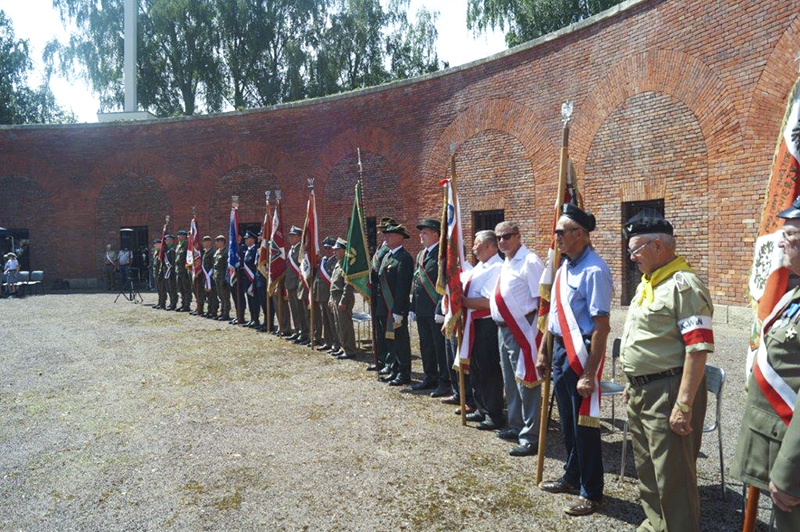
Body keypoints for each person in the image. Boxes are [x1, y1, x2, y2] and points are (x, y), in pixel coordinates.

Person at [619, 210, 712, 532]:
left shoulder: (683, 285)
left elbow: (697, 349)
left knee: (674, 478)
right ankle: (656, 524)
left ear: (658, 245)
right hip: (644, 390)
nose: (631, 258)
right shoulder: (650, 283)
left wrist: (684, 404)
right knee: (648, 470)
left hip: (669, 391)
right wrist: (633, 380)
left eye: (635, 250)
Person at [538, 204, 612, 516]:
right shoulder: (565, 266)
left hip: (580, 355)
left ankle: (591, 491)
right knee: (568, 424)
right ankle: (571, 476)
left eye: (560, 232)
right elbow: (554, 316)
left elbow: (601, 326)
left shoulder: (595, 270)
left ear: (579, 234)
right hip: (558, 351)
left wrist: (589, 372)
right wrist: (543, 351)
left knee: (585, 426)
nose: (556, 237)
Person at [732, 196, 800, 531]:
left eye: (792, 236)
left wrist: (787, 470)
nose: (782, 241)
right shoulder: (791, 293)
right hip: (777, 438)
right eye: (784, 233)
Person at [489, 221, 545, 457]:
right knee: (510, 380)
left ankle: (531, 435)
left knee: (527, 381)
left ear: (519, 236)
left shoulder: (530, 261)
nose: (502, 241)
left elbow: (542, 300)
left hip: (523, 330)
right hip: (503, 329)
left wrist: (534, 334)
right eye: (499, 237)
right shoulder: (507, 262)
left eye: (507, 236)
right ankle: (516, 424)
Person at [459, 230, 505, 429]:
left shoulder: (496, 267)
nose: (473, 248)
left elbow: (488, 302)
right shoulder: (481, 266)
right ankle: (481, 407)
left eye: (477, 244)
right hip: (473, 323)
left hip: (486, 325)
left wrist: (463, 302)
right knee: (476, 368)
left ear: (488, 246)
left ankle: (494, 414)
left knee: (488, 370)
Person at [410, 218, 450, 397]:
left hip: (436, 309)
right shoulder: (421, 255)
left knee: (439, 346)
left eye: (425, 232)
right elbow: (416, 282)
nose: (421, 235)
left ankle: (444, 381)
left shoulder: (442, 256)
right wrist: (412, 306)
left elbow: (445, 285)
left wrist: (441, 310)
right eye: (421, 232)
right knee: (425, 345)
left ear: (436, 234)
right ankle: (430, 376)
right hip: (422, 309)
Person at [375, 223, 414, 387]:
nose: (385, 237)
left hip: (395, 309)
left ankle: (403, 373)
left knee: (400, 341)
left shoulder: (404, 258)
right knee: (389, 340)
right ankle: (393, 369)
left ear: (400, 238)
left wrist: (398, 310)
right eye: (385, 235)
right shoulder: (387, 256)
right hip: (384, 307)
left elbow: (402, 287)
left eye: (389, 235)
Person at [370, 217, 396, 372]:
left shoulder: (388, 250)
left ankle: (388, 361)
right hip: (378, 295)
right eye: (381, 230)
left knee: (388, 332)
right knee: (380, 330)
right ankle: (380, 359)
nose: (382, 233)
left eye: (385, 230)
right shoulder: (382, 247)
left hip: (387, 297)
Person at [330, 237, 358, 359]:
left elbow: (348, 284)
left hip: (343, 296)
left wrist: (344, 300)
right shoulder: (338, 263)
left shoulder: (347, 264)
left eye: (337, 250)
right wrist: (331, 298)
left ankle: (350, 349)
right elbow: (333, 283)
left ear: (344, 250)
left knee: (345, 324)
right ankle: (343, 347)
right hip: (335, 295)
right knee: (339, 324)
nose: (334, 252)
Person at [285, 226, 309, 344]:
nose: (291, 237)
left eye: (293, 235)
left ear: (300, 237)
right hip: (290, 284)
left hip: (297, 285)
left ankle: (304, 332)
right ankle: (298, 330)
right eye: (290, 235)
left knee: (301, 311)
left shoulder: (302, 249)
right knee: (294, 310)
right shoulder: (291, 250)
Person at [314, 237, 338, 350]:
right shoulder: (323, 261)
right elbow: (318, 278)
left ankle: (336, 343)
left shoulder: (336, 261)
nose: (327, 250)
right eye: (326, 248)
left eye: (330, 248)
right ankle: (328, 342)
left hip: (330, 296)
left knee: (333, 321)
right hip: (321, 295)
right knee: (325, 321)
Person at [242, 230, 261, 328]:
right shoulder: (246, 250)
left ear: (253, 240)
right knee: (249, 300)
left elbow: (255, 266)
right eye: (245, 238)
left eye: (248, 238)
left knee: (255, 301)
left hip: (253, 279)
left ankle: (256, 319)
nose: (246, 240)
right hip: (247, 280)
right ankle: (252, 318)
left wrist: (253, 279)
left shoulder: (255, 250)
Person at [196, 236, 217, 318]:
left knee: (213, 294)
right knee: (208, 295)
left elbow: (213, 265)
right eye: (204, 241)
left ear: (209, 242)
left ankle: (214, 311)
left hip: (211, 276)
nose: (204, 243)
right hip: (206, 277)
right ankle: (209, 310)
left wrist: (209, 275)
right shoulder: (205, 252)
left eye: (206, 241)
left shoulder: (213, 252)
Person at [212, 235, 231, 321]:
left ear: (222, 242)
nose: (216, 243)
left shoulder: (226, 252)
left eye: (217, 241)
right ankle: (222, 312)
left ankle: (226, 313)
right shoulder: (217, 252)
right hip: (217, 277)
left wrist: (225, 278)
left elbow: (226, 267)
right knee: (220, 295)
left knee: (225, 296)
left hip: (222, 277)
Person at [174, 230, 192, 312]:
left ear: (184, 237)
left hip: (184, 271)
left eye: (180, 235)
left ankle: (187, 305)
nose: (178, 237)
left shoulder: (186, 246)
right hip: (178, 271)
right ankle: (183, 303)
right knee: (181, 289)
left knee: (186, 289)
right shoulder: (178, 246)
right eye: (178, 235)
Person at [163, 234, 178, 310]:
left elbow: (173, 261)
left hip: (171, 271)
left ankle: (174, 303)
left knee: (172, 288)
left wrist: (172, 271)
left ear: (171, 240)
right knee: (169, 288)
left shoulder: (173, 249)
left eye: (167, 239)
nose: (165, 241)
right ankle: (171, 302)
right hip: (167, 271)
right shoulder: (166, 249)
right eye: (165, 240)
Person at [152, 239, 166, 309]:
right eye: (155, 244)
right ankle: (159, 302)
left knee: (162, 289)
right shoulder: (156, 252)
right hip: (156, 273)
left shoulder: (162, 253)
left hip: (161, 273)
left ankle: (162, 303)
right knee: (158, 289)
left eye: (156, 244)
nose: (155, 245)